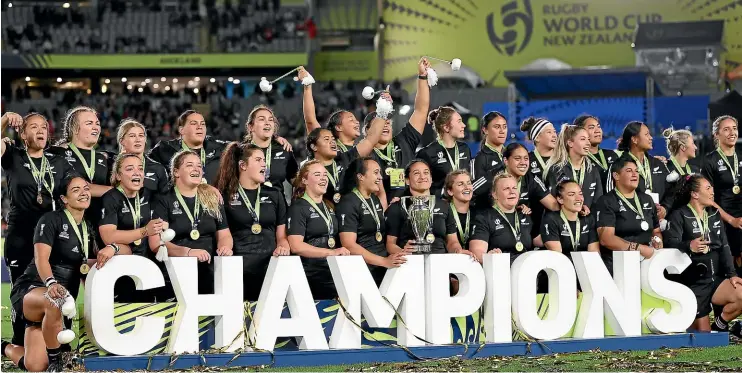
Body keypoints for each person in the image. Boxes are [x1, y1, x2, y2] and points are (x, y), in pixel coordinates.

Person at [3, 176, 107, 372]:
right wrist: (50, 283)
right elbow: (41, 258)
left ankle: (3, 347)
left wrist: (113, 249)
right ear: (64, 198)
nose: (84, 192)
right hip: (33, 289)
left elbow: (86, 266)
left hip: (59, 307)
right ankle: (55, 363)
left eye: (86, 188)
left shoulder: (90, 227)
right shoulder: (51, 220)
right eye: (76, 190)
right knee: (52, 301)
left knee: (35, 365)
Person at [664, 174, 742, 337]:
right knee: (703, 336)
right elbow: (670, 243)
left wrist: (732, 274)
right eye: (708, 188)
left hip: (714, 278)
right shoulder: (679, 215)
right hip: (693, 283)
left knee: (740, 294)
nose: (712, 192)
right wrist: (689, 246)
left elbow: (725, 246)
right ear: (695, 194)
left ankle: (720, 325)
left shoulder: (713, 214)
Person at [151, 150, 233, 298]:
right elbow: (156, 243)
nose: (196, 169)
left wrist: (225, 247)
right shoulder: (163, 201)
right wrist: (188, 252)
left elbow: (225, 234)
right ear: (176, 172)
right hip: (175, 275)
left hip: (209, 272)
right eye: (189, 165)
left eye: (199, 166)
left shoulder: (212, 199)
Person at [215, 143, 290, 301]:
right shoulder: (225, 196)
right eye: (258, 160)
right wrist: (225, 248)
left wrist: (283, 246)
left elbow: (282, 236)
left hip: (271, 265)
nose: (264, 163)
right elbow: (224, 233)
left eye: (264, 159)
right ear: (242, 165)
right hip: (239, 266)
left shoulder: (275, 194)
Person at [99, 154, 165, 302]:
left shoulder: (150, 195)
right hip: (121, 267)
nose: (137, 172)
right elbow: (108, 237)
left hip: (148, 266)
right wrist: (144, 231)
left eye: (140, 169)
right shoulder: (111, 198)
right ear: (118, 176)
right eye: (129, 169)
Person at [366, 58, 431, 204]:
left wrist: (422, 76)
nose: (386, 125)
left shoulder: (404, 142)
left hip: (411, 210)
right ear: (367, 131)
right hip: (379, 214)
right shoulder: (364, 155)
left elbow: (421, 110)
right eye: (381, 123)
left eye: (388, 122)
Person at [287, 160, 349, 300]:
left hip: (332, 272)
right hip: (311, 275)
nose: (323, 178)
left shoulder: (329, 207)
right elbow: (296, 246)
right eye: (317, 174)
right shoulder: (298, 208)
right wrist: (331, 252)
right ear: (304, 180)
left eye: (325, 175)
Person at [48, 106, 113, 233]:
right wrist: (117, 191)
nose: (96, 127)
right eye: (89, 123)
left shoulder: (104, 158)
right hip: (66, 230)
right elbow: (78, 186)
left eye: (97, 124)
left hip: (98, 228)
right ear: (75, 128)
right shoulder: (57, 154)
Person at [337, 158, 401, 285]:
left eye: (380, 173)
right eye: (376, 173)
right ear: (361, 177)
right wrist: (383, 261)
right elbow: (349, 244)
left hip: (381, 267)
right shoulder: (348, 202)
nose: (380, 177)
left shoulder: (373, 199)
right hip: (363, 270)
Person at [594, 158, 662, 273]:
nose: (635, 174)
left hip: (647, 263)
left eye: (636, 171)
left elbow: (656, 231)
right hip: (619, 266)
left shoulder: (647, 199)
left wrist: (658, 242)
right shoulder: (606, 201)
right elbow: (606, 239)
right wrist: (638, 248)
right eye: (629, 171)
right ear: (616, 175)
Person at [304, 109, 385, 204]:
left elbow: (371, 139)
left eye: (332, 139)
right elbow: (311, 122)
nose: (332, 141)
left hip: (352, 210)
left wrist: (383, 109)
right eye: (351, 120)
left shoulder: (346, 157)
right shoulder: (311, 167)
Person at [385, 160, 464, 256]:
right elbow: (390, 244)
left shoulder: (444, 206)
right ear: (407, 180)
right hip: (410, 261)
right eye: (416, 173)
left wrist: (457, 250)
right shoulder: (398, 206)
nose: (422, 177)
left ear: (431, 178)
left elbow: (452, 241)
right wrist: (403, 253)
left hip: (440, 260)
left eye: (426, 173)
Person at [469, 173, 543, 263]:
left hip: (525, 270)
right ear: (495, 194)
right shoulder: (484, 218)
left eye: (514, 188)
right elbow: (477, 251)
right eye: (506, 189)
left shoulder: (525, 215)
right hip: (501, 270)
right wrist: (489, 257)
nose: (512, 192)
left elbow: (542, 241)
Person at [702, 116, 742, 275]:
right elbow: (707, 198)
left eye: (734, 128)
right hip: (722, 220)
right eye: (726, 129)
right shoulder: (709, 160)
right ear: (716, 135)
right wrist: (731, 220)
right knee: (730, 269)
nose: (732, 132)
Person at [149, 110, 227, 185]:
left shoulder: (219, 148)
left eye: (203, 124)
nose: (200, 127)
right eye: (194, 123)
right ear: (181, 130)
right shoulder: (164, 150)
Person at [611, 121, 670, 220]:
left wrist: (665, 207)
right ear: (634, 139)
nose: (651, 138)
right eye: (647, 134)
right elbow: (613, 196)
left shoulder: (657, 163)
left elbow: (671, 190)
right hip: (631, 222)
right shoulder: (620, 165)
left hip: (657, 221)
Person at [544, 124, 604, 210]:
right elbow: (554, 204)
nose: (588, 144)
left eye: (588, 140)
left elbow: (598, 202)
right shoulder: (556, 170)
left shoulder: (592, 170)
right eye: (583, 139)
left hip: (588, 221)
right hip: (562, 222)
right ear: (570, 143)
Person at [416, 106, 472, 197]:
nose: (464, 125)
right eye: (459, 121)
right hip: (440, 206)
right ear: (446, 127)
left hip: (462, 204)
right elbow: (419, 186)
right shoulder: (427, 153)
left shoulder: (464, 148)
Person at [301, 66, 359, 153]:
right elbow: (310, 121)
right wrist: (307, 86)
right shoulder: (327, 148)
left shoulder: (361, 151)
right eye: (351, 120)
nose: (357, 122)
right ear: (339, 127)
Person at [242, 105, 298, 189]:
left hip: (277, 201)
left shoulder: (284, 149)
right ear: (251, 127)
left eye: (270, 120)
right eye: (261, 119)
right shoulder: (240, 152)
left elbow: (295, 180)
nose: (267, 123)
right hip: (248, 201)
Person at [541, 179, 599, 256]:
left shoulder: (588, 219)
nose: (578, 198)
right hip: (562, 266)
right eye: (572, 194)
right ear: (560, 199)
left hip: (583, 266)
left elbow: (594, 255)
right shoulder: (551, 219)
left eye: (580, 194)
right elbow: (557, 257)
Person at [501, 143, 559, 214]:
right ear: (506, 161)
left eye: (526, 159)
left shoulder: (531, 178)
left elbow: (553, 205)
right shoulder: (492, 178)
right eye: (517, 159)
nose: (523, 163)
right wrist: (514, 208)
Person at [116, 119, 169, 194]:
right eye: (132, 136)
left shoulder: (158, 169)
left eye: (141, 135)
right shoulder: (112, 165)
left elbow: (165, 201)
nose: (138, 140)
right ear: (122, 141)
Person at [574, 115, 618, 190]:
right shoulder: (579, 159)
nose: (597, 130)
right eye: (591, 127)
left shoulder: (611, 154)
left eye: (599, 126)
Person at [472, 111, 508, 207]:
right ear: (485, 130)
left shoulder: (512, 155)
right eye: (497, 127)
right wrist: (500, 169)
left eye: (504, 127)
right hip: (489, 215)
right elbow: (473, 189)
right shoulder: (480, 159)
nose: (502, 131)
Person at [661, 127, 700, 211]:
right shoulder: (664, 168)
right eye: (693, 144)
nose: (696, 147)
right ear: (683, 147)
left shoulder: (695, 170)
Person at [445, 170, 474, 249]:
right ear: (450, 191)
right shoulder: (444, 213)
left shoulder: (479, 213)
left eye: (469, 183)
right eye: (460, 184)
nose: (467, 187)